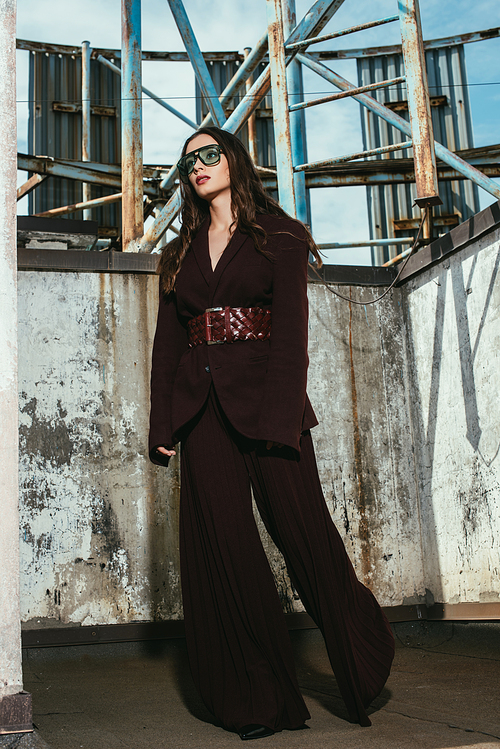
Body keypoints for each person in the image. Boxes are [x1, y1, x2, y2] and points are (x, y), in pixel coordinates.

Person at [149, 126, 395, 741]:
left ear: (233, 159)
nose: (199, 166)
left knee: (304, 535)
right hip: (200, 413)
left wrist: (283, 417)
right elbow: (167, 346)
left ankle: (364, 652)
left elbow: (291, 334)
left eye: (209, 154)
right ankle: (256, 699)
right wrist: (163, 424)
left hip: (268, 407)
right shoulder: (177, 255)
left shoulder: (279, 233)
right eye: (188, 162)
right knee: (226, 551)